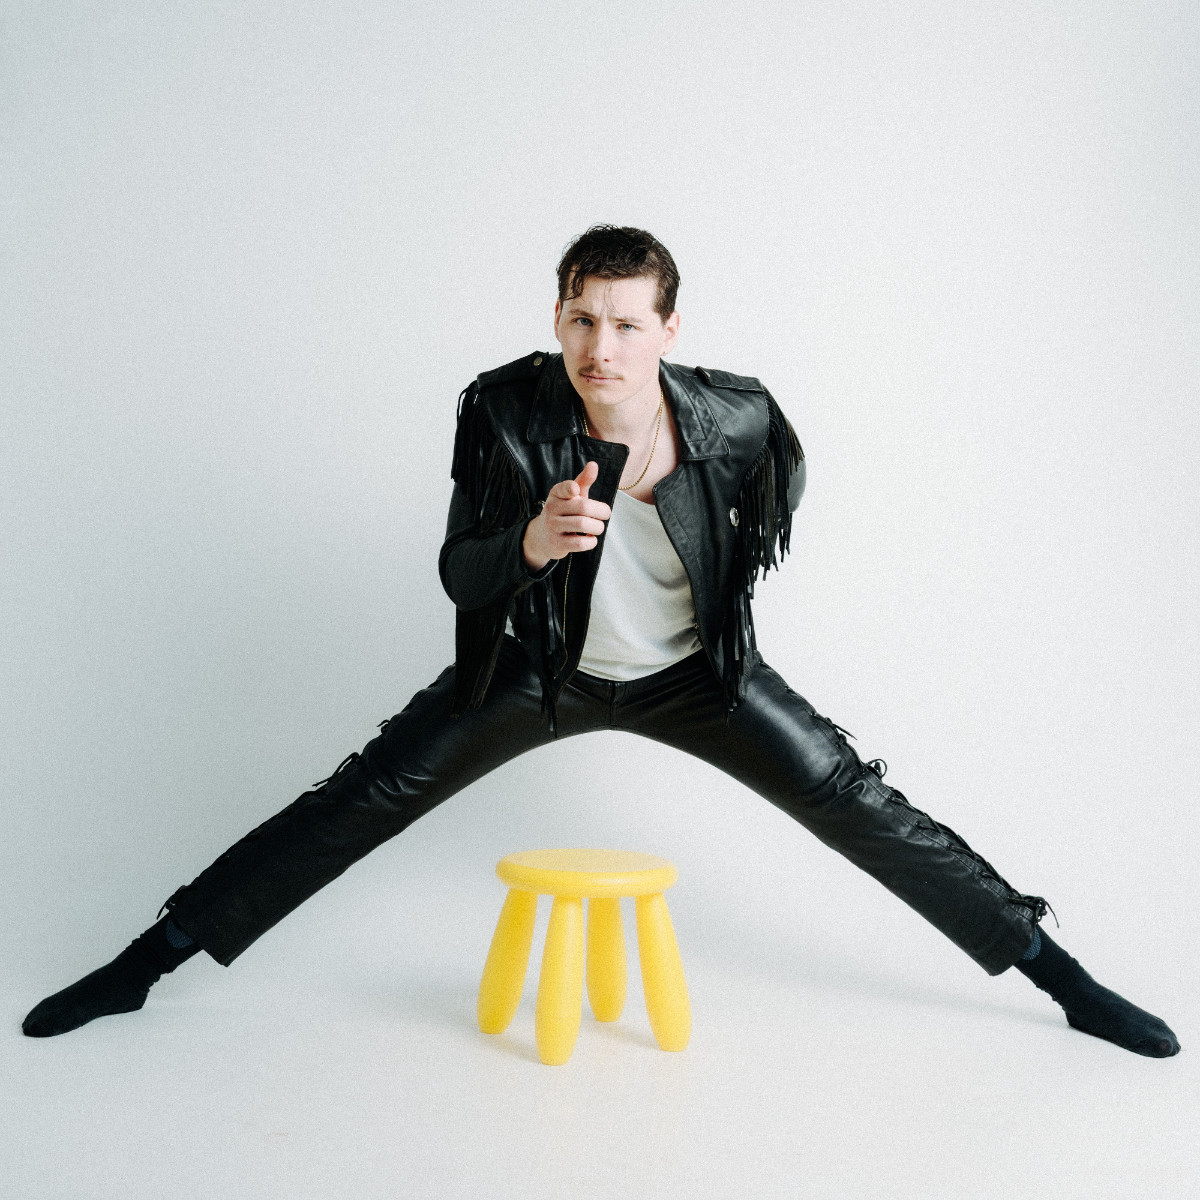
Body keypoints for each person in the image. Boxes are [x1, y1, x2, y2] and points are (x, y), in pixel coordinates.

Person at [23, 225, 1179, 1058]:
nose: (602, 347)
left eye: (628, 323)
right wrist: (529, 545)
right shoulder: (505, 408)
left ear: (670, 328)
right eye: (583, 318)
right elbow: (460, 571)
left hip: (694, 678)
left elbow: (770, 514)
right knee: (363, 795)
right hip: (538, 670)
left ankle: (1061, 979)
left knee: (854, 798)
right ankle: (146, 963)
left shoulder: (740, 418)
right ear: (557, 318)